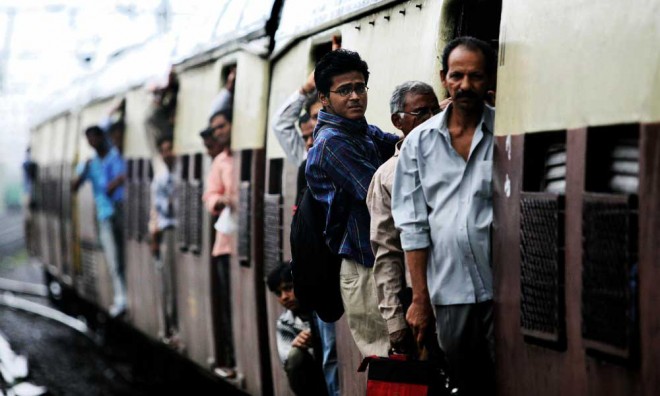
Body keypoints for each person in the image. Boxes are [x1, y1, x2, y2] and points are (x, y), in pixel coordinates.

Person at [391, 36, 497, 395]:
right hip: (449, 292)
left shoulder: (505, 133)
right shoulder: (419, 144)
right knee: (465, 383)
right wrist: (419, 300)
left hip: (504, 291)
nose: (465, 85)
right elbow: (413, 225)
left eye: (475, 76)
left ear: (489, 80)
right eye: (457, 76)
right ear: (444, 78)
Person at [305, 49, 399, 357]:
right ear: (324, 97)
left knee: (401, 361)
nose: (355, 96)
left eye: (360, 87)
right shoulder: (332, 143)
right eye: (344, 90)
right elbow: (377, 191)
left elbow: (398, 143)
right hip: (363, 267)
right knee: (388, 359)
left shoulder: (360, 131)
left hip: (377, 262)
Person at [272, 74, 340, 395]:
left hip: (342, 266)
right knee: (329, 351)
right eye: (307, 132)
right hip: (318, 273)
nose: (311, 138)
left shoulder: (342, 150)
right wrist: (304, 89)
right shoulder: (305, 159)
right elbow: (281, 125)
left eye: (316, 125)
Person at [366, 81, 443, 355]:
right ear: (397, 121)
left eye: (437, 111)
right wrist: (395, 321)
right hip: (422, 304)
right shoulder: (387, 176)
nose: (433, 120)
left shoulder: (455, 159)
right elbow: (386, 251)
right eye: (422, 113)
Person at [72, 125, 127, 317]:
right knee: (113, 257)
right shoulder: (90, 163)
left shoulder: (115, 156)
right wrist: (82, 171)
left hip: (122, 210)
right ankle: (121, 298)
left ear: (102, 137)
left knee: (123, 255)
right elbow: (74, 186)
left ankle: (123, 296)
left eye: (94, 138)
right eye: (88, 139)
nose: (92, 142)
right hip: (105, 214)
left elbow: (124, 176)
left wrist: (117, 182)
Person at [201, 108, 236, 375]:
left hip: (245, 242)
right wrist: (218, 200)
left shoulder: (241, 157)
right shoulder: (220, 161)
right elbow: (209, 195)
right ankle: (232, 355)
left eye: (222, 127)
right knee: (228, 301)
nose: (218, 133)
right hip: (226, 241)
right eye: (215, 130)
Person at [267, 262, 328, 396]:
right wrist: (300, 345)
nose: (284, 297)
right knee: (295, 356)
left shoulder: (323, 311)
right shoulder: (285, 322)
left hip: (330, 371)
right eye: (278, 293)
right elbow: (287, 362)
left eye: (288, 288)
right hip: (314, 381)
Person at [150, 136, 179, 344]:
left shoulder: (179, 175)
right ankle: (170, 325)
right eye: (164, 150)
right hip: (169, 230)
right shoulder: (161, 180)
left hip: (177, 229)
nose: (168, 153)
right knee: (168, 278)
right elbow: (163, 208)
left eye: (171, 148)